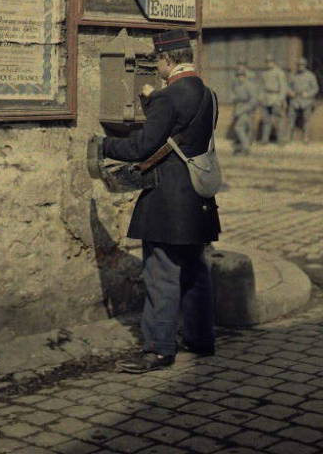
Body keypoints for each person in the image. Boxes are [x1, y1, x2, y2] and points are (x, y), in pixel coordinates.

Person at [100, 29, 221, 374]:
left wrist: (103, 145)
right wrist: (155, 104)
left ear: (167, 60)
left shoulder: (169, 97)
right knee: (195, 269)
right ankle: (201, 340)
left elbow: (143, 147)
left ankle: (157, 349)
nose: (158, 69)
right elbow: (186, 130)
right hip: (198, 199)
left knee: (160, 273)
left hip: (168, 200)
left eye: (158, 63)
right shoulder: (209, 95)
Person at [288, 57, 319, 143]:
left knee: (306, 119)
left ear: (305, 65)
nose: (300, 66)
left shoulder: (310, 76)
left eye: (302, 65)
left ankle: (306, 137)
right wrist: (290, 92)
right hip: (295, 100)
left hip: (306, 100)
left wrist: (308, 94)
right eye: (299, 65)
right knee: (291, 118)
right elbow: (288, 86)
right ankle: (289, 137)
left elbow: (315, 88)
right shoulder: (292, 75)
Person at [260, 53, 288, 144]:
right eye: (267, 62)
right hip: (266, 98)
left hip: (276, 96)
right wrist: (261, 98)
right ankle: (265, 139)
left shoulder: (279, 72)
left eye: (270, 61)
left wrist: (280, 99)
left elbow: (283, 87)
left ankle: (280, 139)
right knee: (266, 120)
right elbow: (262, 87)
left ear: (274, 62)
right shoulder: (264, 73)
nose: (269, 63)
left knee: (278, 120)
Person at [231, 64, 257, 155]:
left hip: (246, 110)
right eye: (238, 76)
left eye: (241, 76)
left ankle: (246, 148)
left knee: (239, 128)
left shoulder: (249, 86)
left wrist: (243, 110)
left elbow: (253, 100)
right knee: (242, 129)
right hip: (238, 108)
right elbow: (234, 97)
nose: (240, 78)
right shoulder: (237, 86)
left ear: (245, 76)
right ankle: (241, 148)